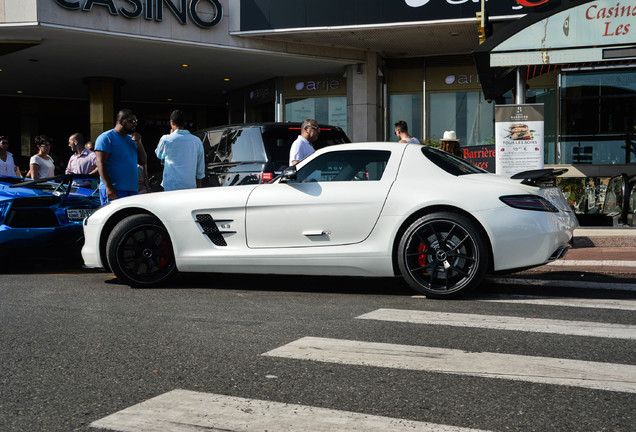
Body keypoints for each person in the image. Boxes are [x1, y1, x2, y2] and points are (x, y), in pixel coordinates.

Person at [95, 109, 148, 205]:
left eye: (136, 121)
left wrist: (139, 143)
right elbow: (100, 163)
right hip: (114, 190)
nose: (135, 124)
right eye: (131, 121)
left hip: (132, 190)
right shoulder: (106, 137)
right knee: (114, 219)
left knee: (130, 219)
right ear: (120, 121)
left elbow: (143, 161)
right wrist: (109, 187)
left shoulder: (132, 139)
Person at [154, 109, 205, 191]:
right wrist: (199, 186)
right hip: (190, 186)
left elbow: (159, 155)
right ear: (185, 123)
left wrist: (171, 135)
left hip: (171, 186)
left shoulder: (166, 139)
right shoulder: (196, 141)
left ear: (172, 122)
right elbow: (200, 168)